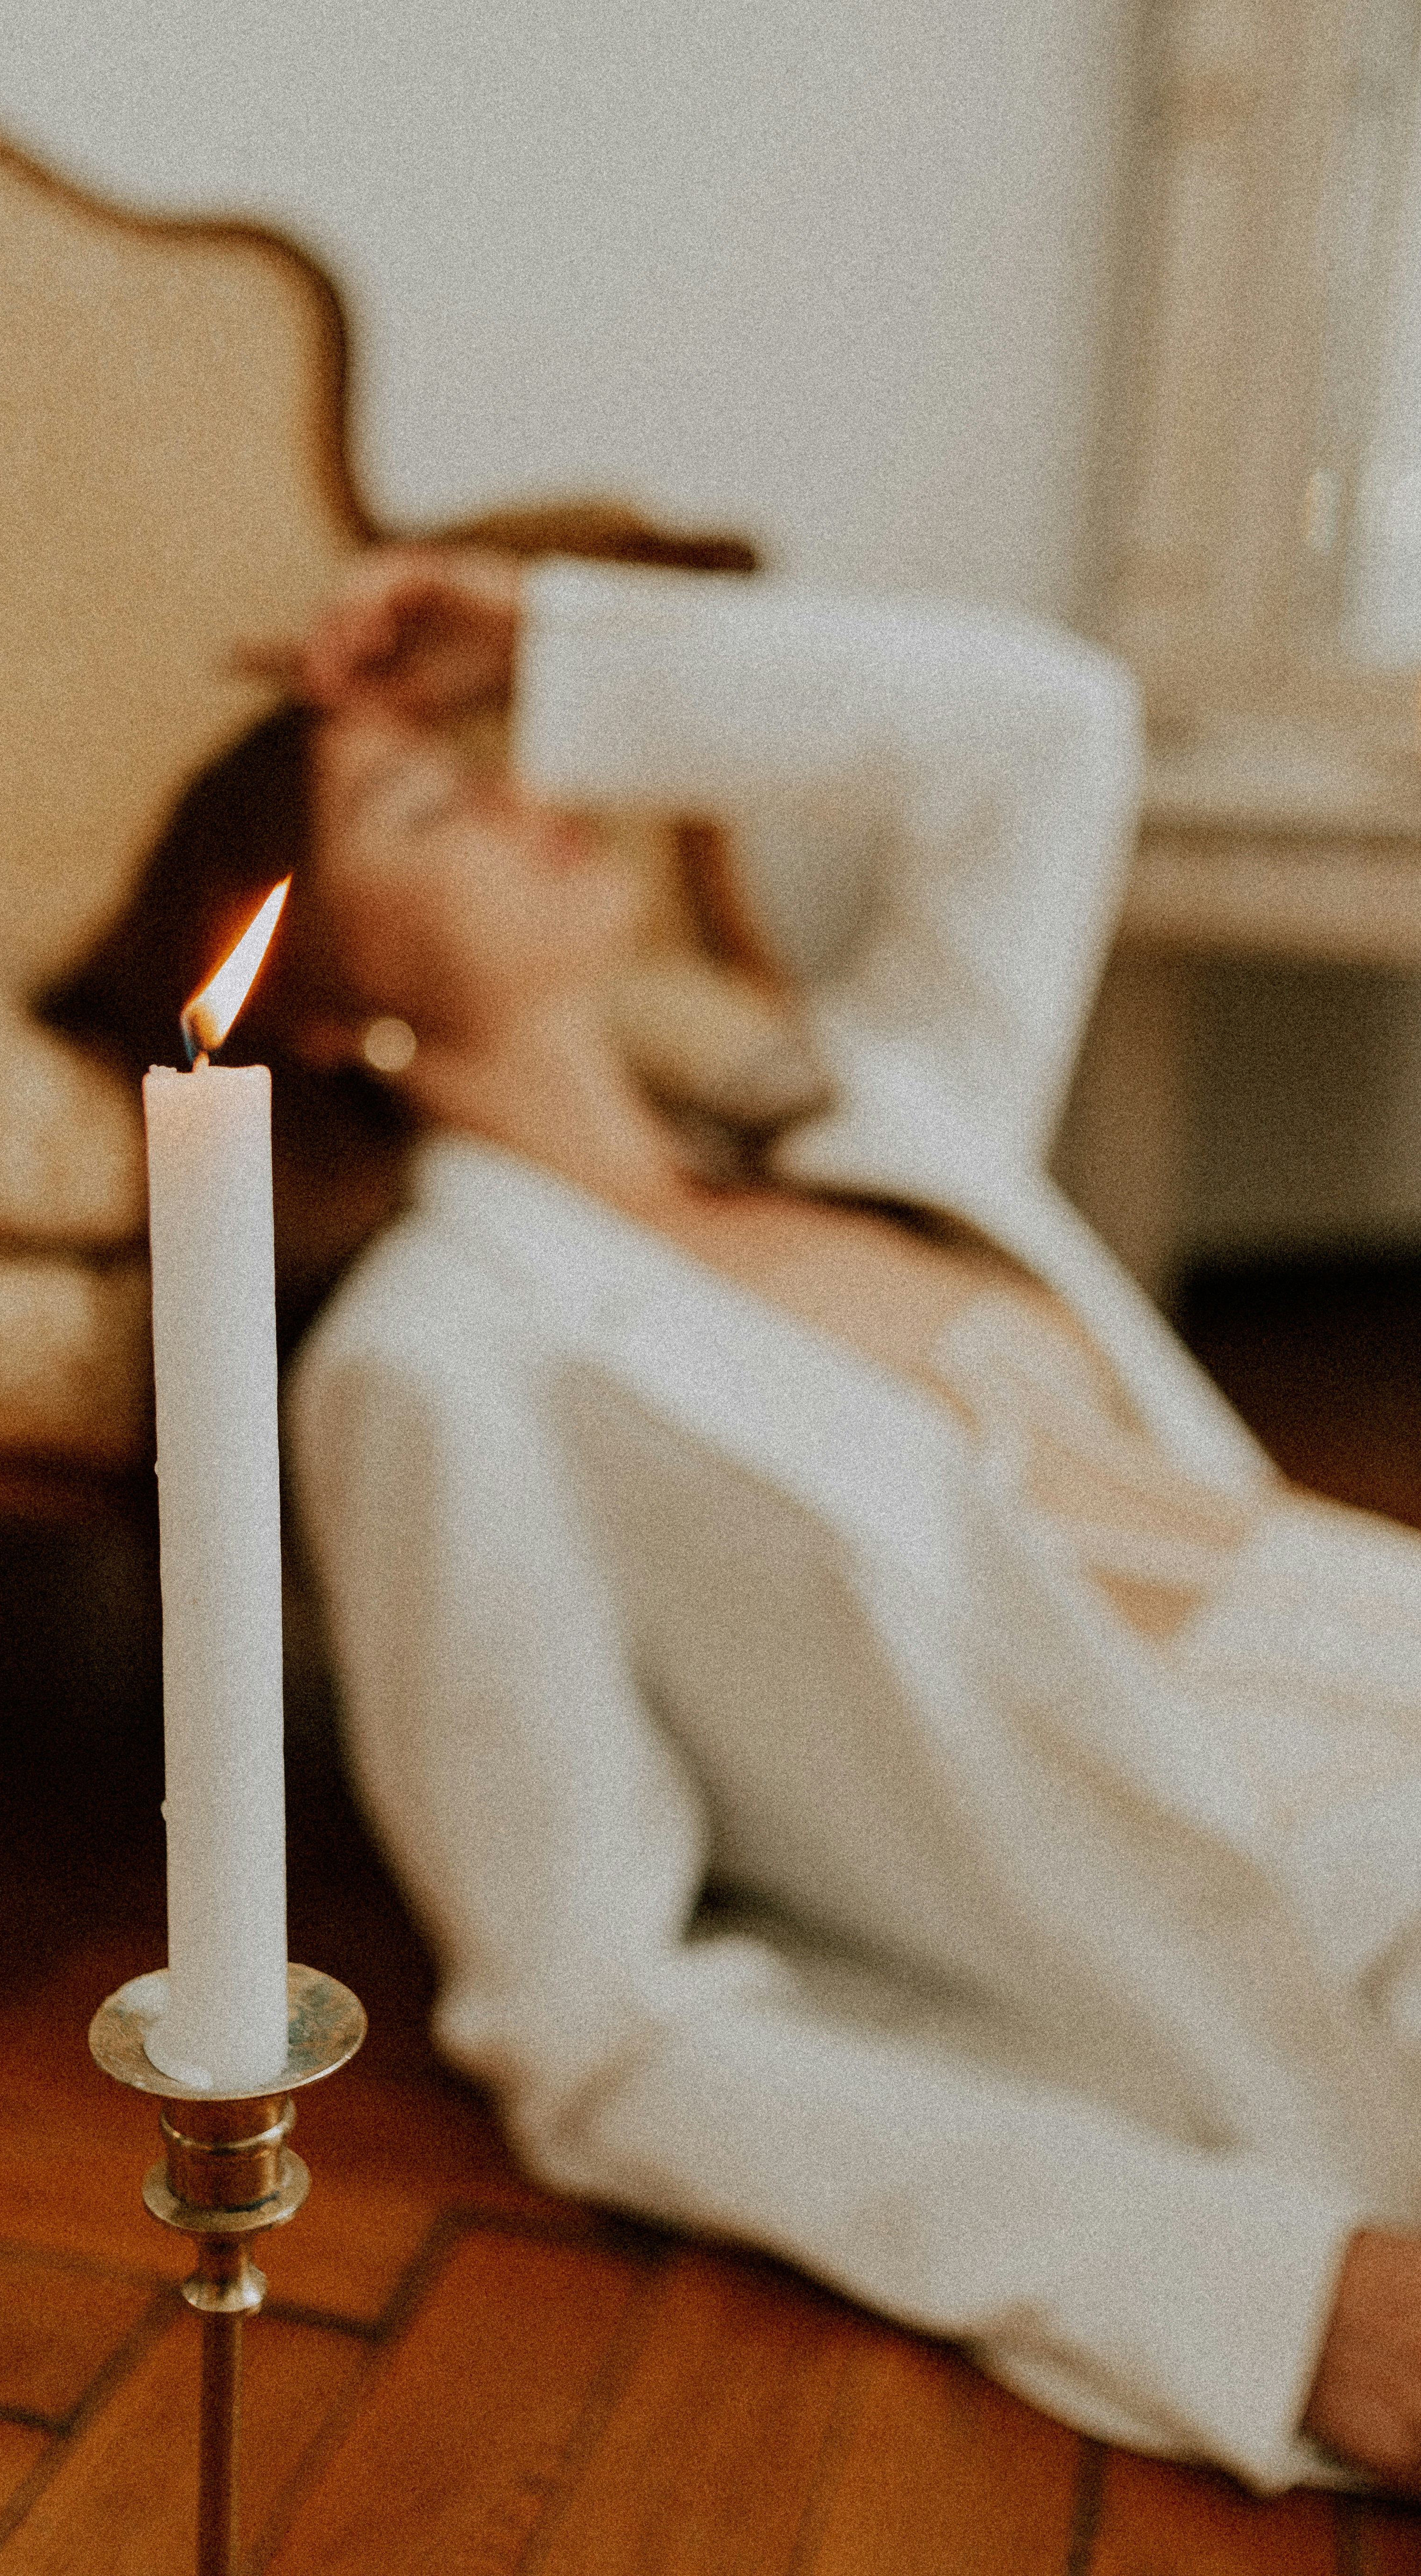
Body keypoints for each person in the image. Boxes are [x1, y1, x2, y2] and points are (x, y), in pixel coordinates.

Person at [78, 543, 1421, 2493]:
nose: (537, 789)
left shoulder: (887, 1117)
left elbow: (1046, 734)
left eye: (514, 748)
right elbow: (595, 2019)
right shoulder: (442, 1364)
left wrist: (548, 644)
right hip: (1338, 1928)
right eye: (429, 798)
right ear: (307, 997)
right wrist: (1259, 2292)